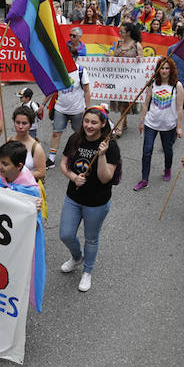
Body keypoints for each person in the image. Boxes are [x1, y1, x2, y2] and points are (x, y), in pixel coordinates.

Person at [58, 106, 122, 293]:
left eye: (94, 122)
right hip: (73, 197)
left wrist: (101, 155)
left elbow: (105, 178)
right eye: (86, 121)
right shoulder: (74, 139)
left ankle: (88, 271)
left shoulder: (111, 146)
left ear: (103, 124)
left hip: (97, 202)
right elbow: (63, 164)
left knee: (91, 239)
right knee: (66, 234)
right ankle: (77, 257)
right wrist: (73, 177)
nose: (89, 125)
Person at [0, 140, 46, 311]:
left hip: (16, 243)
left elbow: (35, 228)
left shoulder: (31, 190)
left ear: (19, 166)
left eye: (5, 164)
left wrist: (30, 213)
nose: (0, 167)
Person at [135, 57, 184, 191]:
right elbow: (146, 104)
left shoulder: (177, 86)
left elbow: (180, 108)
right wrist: (141, 121)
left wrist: (179, 127)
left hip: (169, 126)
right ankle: (144, 179)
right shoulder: (152, 84)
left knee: (168, 150)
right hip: (151, 123)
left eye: (167, 68)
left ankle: (167, 168)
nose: (164, 71)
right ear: (158, 69)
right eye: (161, 68)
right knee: (147, 151)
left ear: (171, 70)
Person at [41, 65, 91, 168]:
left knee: (79, 134)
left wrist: (88, 109)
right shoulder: (57, 70)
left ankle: (79, 156)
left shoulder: (81, 71)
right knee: (56, 133)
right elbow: (52, 90)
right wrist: (43, 104)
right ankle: (51, 159)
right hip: (60, 109)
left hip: (77, 110)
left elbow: (87, 90)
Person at [107, 23, 143, 136]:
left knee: (125, 101)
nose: (120, 33)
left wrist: (139, 59)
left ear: (128, 32)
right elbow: (115, 58)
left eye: (122, 31)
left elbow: (142, 63)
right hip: (118, 78)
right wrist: (109, 57)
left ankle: (120, 126)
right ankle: (124, 121)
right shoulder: (118, 43)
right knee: (119, 100)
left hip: (130, 80)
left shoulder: (136, 45)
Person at [10, 105, 47, 182]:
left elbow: (41, 173)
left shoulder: (36, 148)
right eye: (17, 122)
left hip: (28, 188)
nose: (20, 126)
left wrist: (20, 175)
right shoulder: (9, 141)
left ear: (30, 125)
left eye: (24, 123)